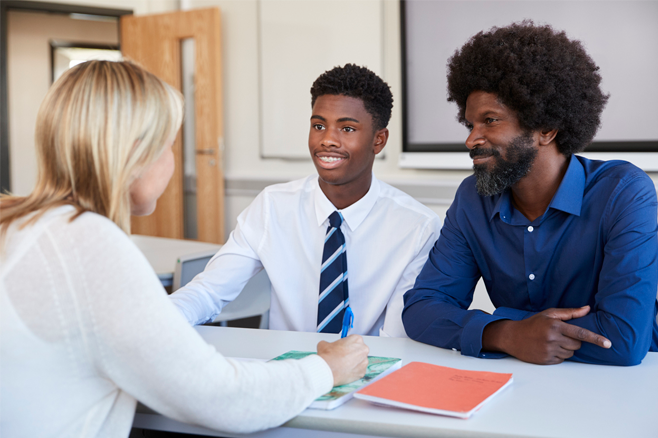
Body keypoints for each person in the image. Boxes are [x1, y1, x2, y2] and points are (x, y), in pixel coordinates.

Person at [0, 60, 369, 437]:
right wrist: (325, 370)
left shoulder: (18, 224)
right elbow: (221, 398)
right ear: (136, 152)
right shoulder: (88, 243)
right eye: (170, 144)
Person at [403, 21, 658, 366]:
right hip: (515, 385)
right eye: (470, 124)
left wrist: (499, 329)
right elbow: (422, 309)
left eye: (490, 121)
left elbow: (624, 338)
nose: (471, 139)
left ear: (546, 128)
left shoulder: (623, 192)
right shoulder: (472, 199)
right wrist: (506, 334)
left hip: (619, 389)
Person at [170, 64, 441, 337]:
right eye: (319, 126)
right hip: (287, 370)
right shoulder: (272, 207)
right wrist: (157, 322)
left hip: (369, 371)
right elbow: (209, 291)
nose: (327, 140)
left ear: (379, 140)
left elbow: (396, 337)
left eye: (347, 129)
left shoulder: (416, 227)